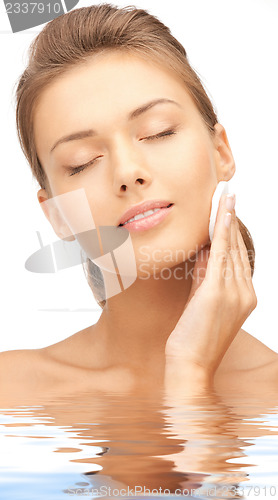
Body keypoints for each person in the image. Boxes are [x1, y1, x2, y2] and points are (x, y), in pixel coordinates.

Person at [1, 3, 277, 401]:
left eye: (158, 132)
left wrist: (190, 372)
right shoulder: (9, 393)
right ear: (57, 214)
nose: (128, 172)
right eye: (82, 163)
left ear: (221, 152)